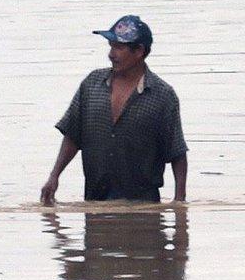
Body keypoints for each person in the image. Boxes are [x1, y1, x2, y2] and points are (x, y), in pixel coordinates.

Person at [41, 15, 188, 204]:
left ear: (139, 51)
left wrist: (179, 201)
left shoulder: (161, 95)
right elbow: (72, 135)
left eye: (118, 47)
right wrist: (54, 176)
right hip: (94, 203)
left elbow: (176, 151)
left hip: (143, 208)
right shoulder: (92, 84)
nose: (111, 54)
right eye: (111, 46)